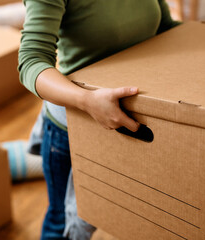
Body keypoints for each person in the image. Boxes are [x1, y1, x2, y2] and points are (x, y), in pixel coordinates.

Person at [18, 1, 180, 239]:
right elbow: (31, 61)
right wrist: (86, 100)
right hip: (74, 127)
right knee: (62, 222)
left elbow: (166, 27)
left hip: (134, 120)